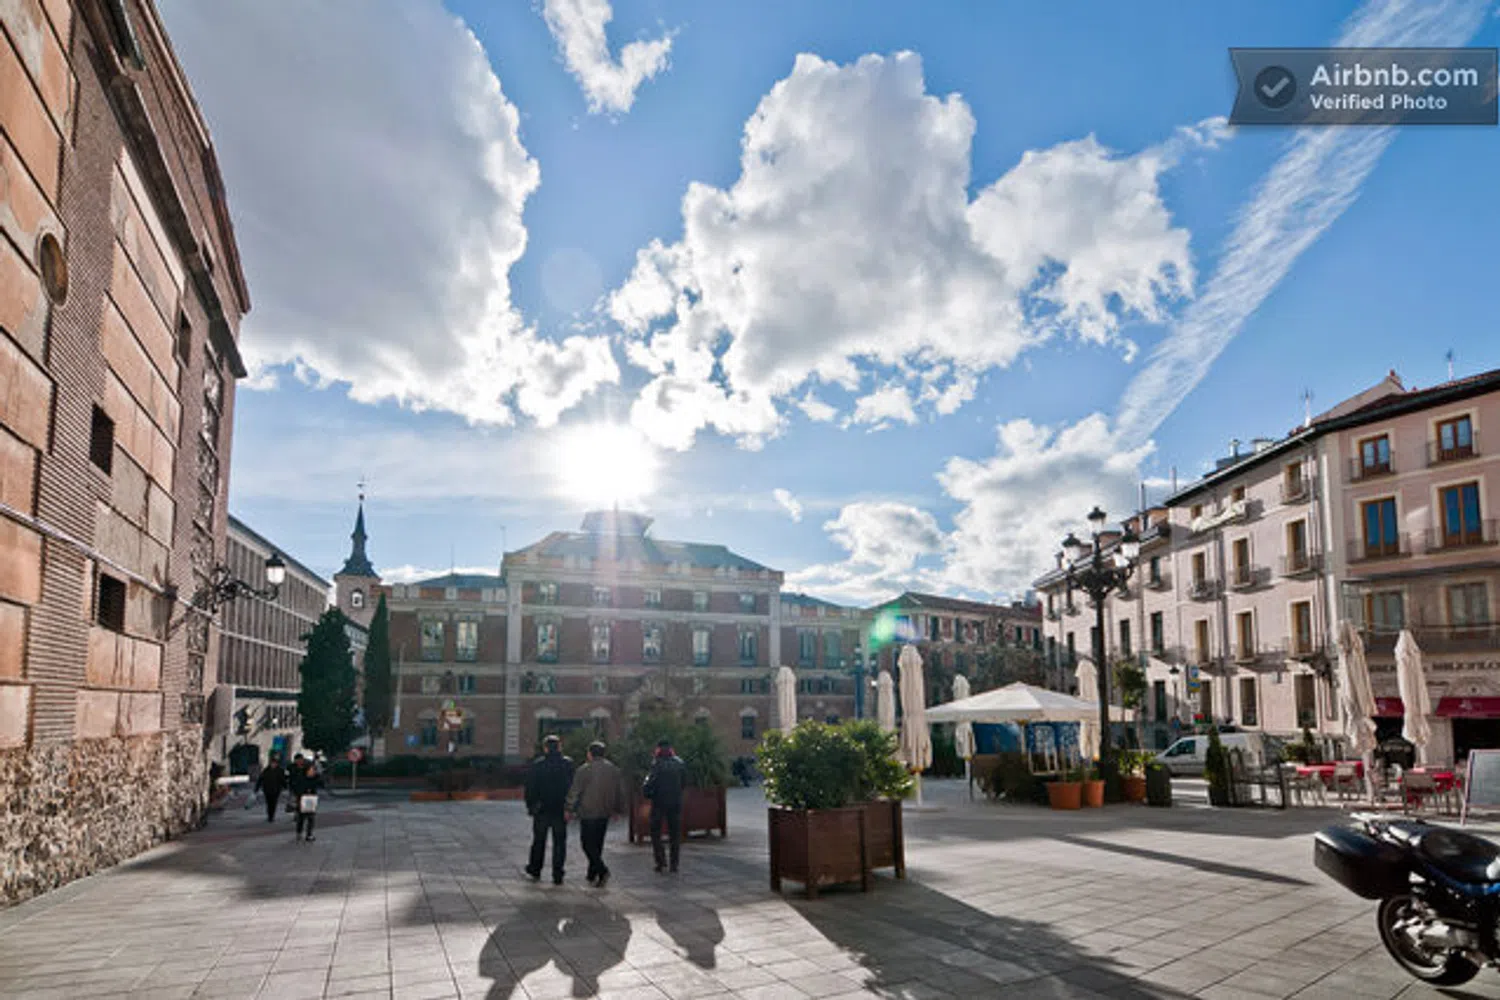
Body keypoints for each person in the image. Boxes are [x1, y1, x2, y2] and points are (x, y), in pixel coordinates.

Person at [566, 741, 625, 888]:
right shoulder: (613, 769)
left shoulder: (583, 770)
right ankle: (592, 872)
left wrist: (569, 808)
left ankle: (601, 870)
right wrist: (617, 809)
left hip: (588, 811)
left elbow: (575, 792)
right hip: (605, 811)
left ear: (590, 753)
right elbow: (619, 791)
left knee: (586, 844)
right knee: (598, 843)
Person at [524, 735, 575, 885]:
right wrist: (571, 807)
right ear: (559, 747)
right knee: (560, 842)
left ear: (545, 748)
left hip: (542, 809)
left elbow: (530, 788)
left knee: (539, 840)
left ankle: (535, 868)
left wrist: (531, 806)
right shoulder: (567, 764)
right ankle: (557, 873)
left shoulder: (538, 765)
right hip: (560, 808)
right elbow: (572, 786)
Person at [643, 739, 687, 874]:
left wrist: (647, 793)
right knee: (675, 834)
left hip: (659, 803)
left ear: (658, 749)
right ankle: (674, 864)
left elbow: (650, 783)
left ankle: (661, 862)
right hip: (675, 803)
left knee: (655, 833)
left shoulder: (656, 764)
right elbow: (684, 782)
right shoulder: (679, 763)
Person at [289, 755, 323, 842]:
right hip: (302, 799)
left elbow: (321, 784)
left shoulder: (315, 779)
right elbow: (297, 788)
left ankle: (309, 834)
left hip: (311, 800)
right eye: (310, 770)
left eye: (313, 770)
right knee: (301, 817)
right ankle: (299, 833)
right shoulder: (301, 778)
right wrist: (299, 797)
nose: (312, 772)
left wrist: (318, 775)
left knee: (311, 818)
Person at [255, 752, 287, 822]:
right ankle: (269, 815)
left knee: (274, 803)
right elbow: (260, 779)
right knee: (269, 803)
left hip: (276, 790)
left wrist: (285, 787)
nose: (273, 765)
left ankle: (271, 816)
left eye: (275, 763)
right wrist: (256, 788)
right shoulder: (266, 770)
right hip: (267, 789)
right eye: (272, 763)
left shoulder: (280, 771)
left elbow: (283, 780)